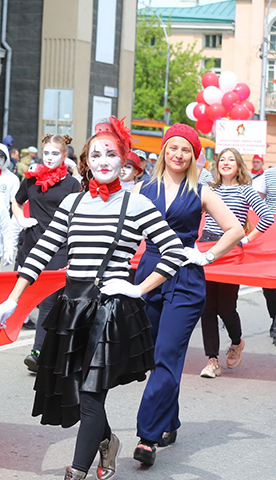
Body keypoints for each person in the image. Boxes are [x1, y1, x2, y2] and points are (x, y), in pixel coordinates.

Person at [0, 116, 186, 480]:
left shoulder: (137, 204)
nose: (102, 160)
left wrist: (136, 288)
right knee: (77, 390)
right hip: (72, 306)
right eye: (95, 154)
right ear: (86, 160)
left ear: (124, 159)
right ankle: (108, 441)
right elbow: (41, 254)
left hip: (110, 311)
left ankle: (77, 470)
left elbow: (174, 253)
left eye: (110, 154)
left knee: (92, 393)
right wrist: (13, 298)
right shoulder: (73, 203)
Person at [132, 124, 242, 466]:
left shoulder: (203, 191)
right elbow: (123, 231)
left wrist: (206, 255)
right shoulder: (142, 188)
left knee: (167, 354)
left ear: (194, 156)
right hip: (149, 275)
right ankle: (171, 420)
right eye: (172, 148)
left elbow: (235, 229)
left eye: (185, 150)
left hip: (185, 278)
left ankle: (147, 436)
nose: (178, 154)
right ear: (164, 151)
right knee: (153, 356)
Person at [198, 148, 273, 378]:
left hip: (230, 252)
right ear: (217, 165)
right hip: (206, 247)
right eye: (222, 159)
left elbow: (268, 217)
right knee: (207, 308)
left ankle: (236, 342)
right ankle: (212, 360)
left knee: (226, 308)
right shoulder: (210, 190)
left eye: (231, 159)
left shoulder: (246, 191)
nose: (226, 163)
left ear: (239, 165)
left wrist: (246, 240)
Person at [11, 134, 81, 373]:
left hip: (59, 248)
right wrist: (21, 219)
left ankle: (38, 351)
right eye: (47, 153)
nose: (50, 158)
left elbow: (79, 217)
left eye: (55, 154)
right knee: (40, 301)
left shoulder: (72, 184)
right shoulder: (31, 179)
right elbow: (16, 201)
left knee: (50, 300)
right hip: (31, 246)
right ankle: (54, 348)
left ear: (64, 156)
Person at [253, 165, 276, 345]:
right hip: (270, 236)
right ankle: (274, 316)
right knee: (269, 287)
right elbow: (257, 204)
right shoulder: (268, 174)